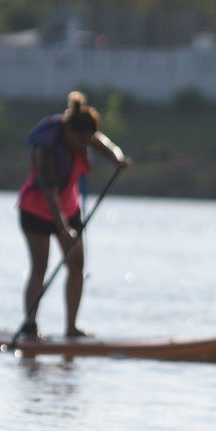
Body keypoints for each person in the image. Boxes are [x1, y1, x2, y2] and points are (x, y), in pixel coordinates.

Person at [15, 91, 129, 339]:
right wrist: (63, 228)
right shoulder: (46, 149)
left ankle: (71, 328)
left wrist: (118, 159)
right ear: (68, 132)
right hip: (36, 209)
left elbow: (102, 143)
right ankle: (30, 326)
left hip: (69, 208)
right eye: (80, 141)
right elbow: (49, 191)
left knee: (76, 264)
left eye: (87, 141)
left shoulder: (83, 135)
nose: (83, 146)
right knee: (39, 267)